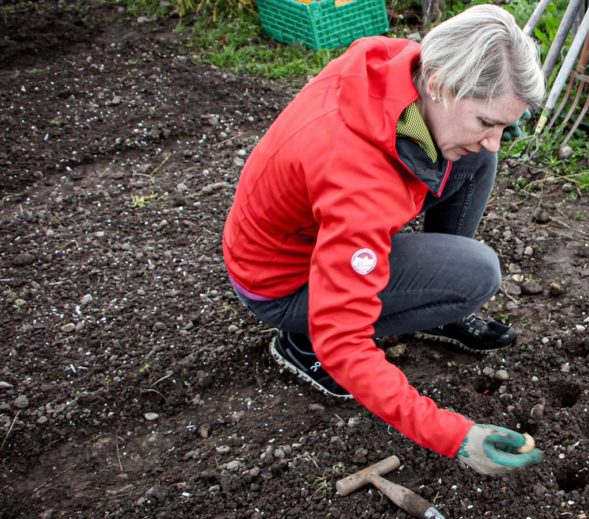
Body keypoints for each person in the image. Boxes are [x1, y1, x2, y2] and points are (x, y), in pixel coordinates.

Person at [221, 5, 545, 475]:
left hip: (304, 239)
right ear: (438, 84)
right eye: (485, 121)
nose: (495, 138)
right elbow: (344, 339)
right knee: (476, 275)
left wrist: (484, 129)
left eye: (504, 126)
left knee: (476, 158)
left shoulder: (399, 68)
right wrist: (453, 435)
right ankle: (299, 342)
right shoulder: (357, 178)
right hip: (284, 284)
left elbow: (467, 137)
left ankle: (436, 310)